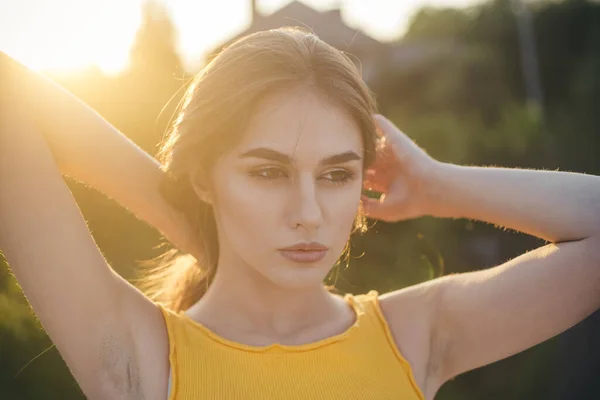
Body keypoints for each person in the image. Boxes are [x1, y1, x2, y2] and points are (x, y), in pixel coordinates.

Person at [1, 27, 599, 400]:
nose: (309, 213)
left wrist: (437, 185)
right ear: (207, 177)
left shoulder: (417, 336)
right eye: (267, 172)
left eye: (337, 174)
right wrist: (178, 209)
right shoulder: (140, 359)